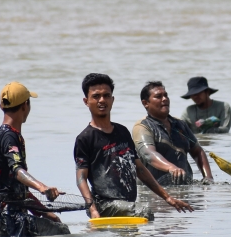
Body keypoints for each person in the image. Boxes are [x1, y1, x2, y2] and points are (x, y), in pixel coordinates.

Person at [74, 73, 193, 220]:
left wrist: (168, 198)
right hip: (104, 205)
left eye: (106, 95)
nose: (102, 100)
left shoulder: (122, 132)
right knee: (144, 212)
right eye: (96, 96)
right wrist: (92, 210)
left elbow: (140, 169)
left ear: (112, 99)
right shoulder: (85, 138)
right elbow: (81, 179)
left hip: (126, 204)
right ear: (86, 101)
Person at [0, 82, 70, 237]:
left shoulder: (5, 134)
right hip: (10, 216)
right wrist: (42, 187)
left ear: (1, 106)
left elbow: (19, 190)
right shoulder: (9, 136)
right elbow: (17, 170)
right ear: (26, 105)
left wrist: (46, 214)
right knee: (62, 232)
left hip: (0, 213)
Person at [133, 81, 214, 186]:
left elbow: (197, 151)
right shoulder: (142, 127)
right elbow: (149, 154)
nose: (165, 99)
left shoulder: (180, 124)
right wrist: (171, 168)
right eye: (158, 96)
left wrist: (208, 177)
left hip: (184, 187)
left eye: (166, 95)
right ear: (145, 103)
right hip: (153, 191)